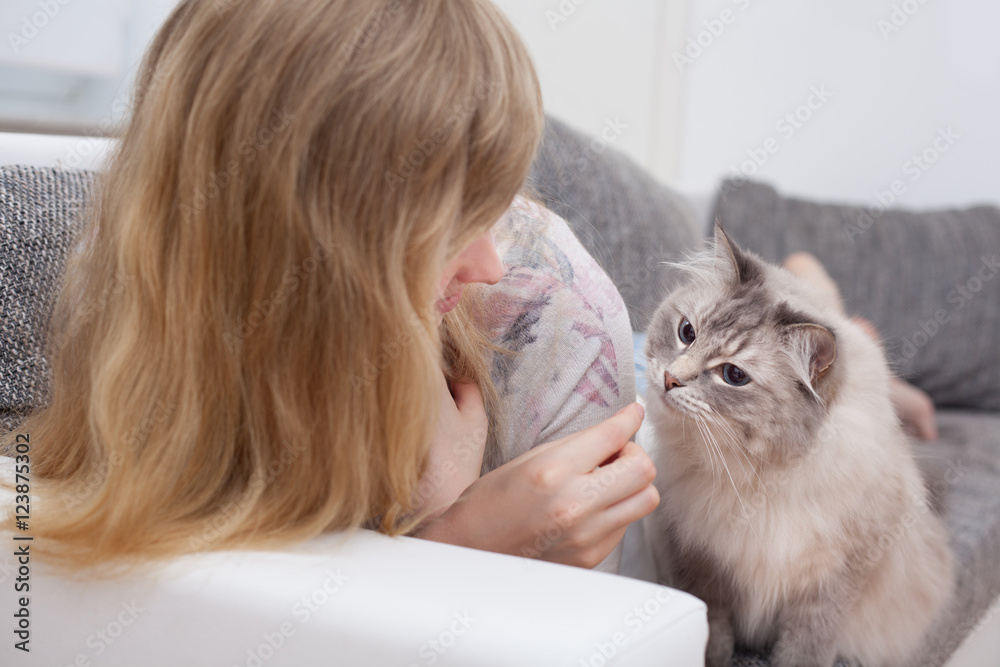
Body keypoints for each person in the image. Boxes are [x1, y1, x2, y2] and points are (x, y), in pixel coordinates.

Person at [0, 0, 656, 575]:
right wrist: (449, 544)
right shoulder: (129, 275)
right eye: (447, 226)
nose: (484, 264)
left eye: (482, 209)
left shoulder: (562, 325)